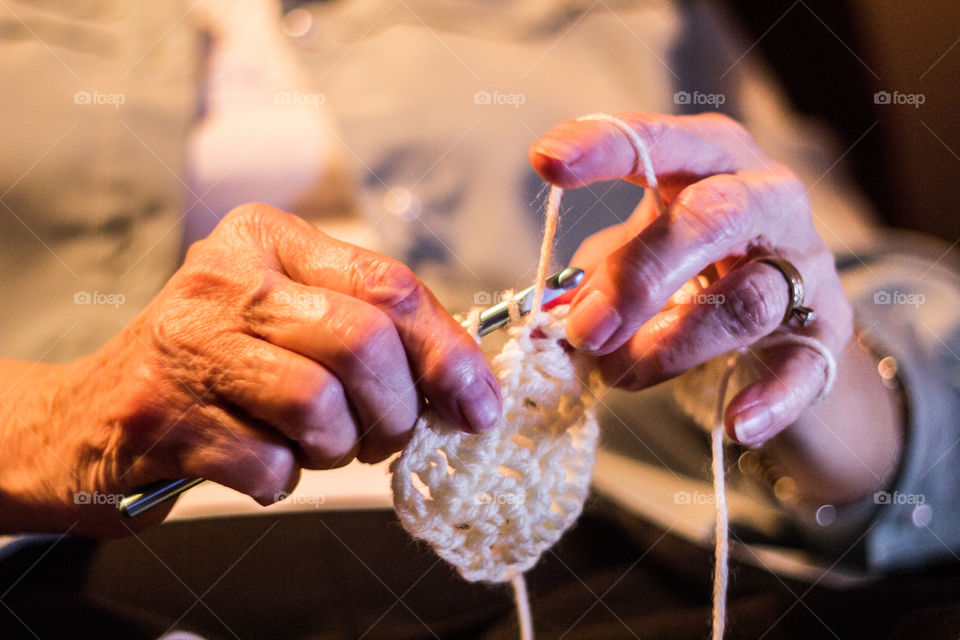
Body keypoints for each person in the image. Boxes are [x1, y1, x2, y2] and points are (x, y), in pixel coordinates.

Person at [0, 0, 956, 602]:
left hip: (626, 548)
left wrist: (828, 400)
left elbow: (875, 309)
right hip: (73, 567)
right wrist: (49, 425)